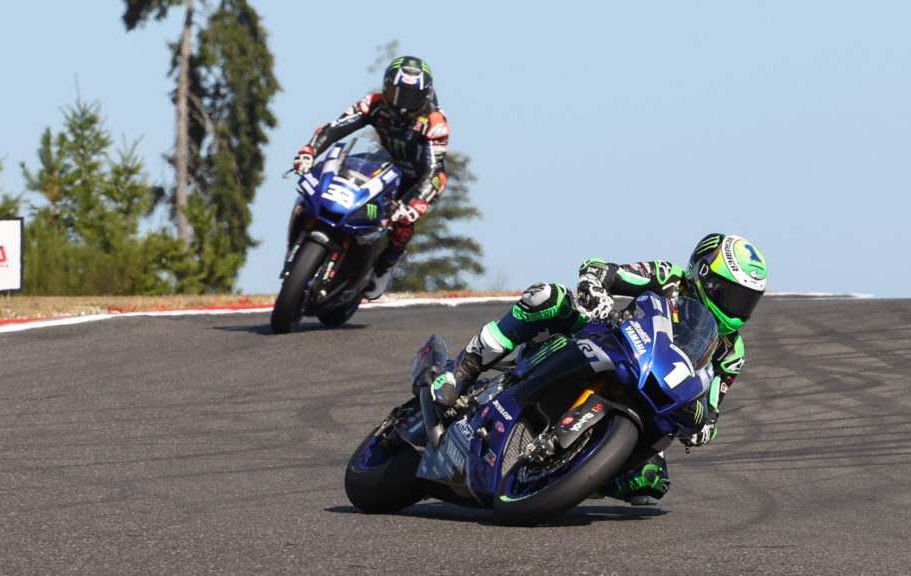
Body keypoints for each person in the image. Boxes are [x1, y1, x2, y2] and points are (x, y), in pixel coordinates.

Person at [430, 233, 768, 505]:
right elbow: (603, 269)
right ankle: (463, 370)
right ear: (704, 276)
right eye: (732, 296)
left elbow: (711, 407)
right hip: (610, 340)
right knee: (547, 297)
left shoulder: (732, 351)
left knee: (648, 485)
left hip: (655, 389)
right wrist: (595, 286)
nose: (737, 310)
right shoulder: (669, 277)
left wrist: (703, 427)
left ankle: (575, 471)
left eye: (747, 301)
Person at [292, 55, 450, 300]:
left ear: (426, 95)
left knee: (402, 227)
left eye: (410, 96)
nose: (402, 104)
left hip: (411, 180)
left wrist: (415, 205)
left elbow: (435, 171)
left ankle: (386, 265)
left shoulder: (434, 123)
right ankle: (301, 245)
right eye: (396, 93)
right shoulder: (373, 103)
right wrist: (309, 151)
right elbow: (335, 127)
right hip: (378, 162)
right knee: (314, 190)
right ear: (385, 87)